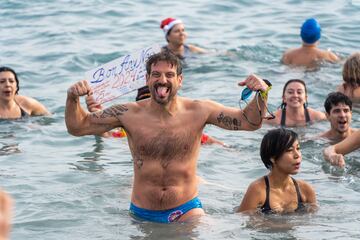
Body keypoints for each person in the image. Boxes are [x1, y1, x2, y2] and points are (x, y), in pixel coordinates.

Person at [65, 51, 270, 223]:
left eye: (169, 75)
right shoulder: (127, 114)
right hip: (141, 213)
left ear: (179, 81)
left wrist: (262, 91)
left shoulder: (199, 110)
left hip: (187, 209)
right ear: (147, 79)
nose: (162, 80)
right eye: (156, 74)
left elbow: (248, 122)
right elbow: (78, 127)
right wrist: (73, 98)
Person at [237, 128, 317, 214]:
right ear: (273, 158)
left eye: (298, 148)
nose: (297, 155)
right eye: (290, 150)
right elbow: (244, 220)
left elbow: (314, 222)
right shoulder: (258, 190)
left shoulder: (305, 190)